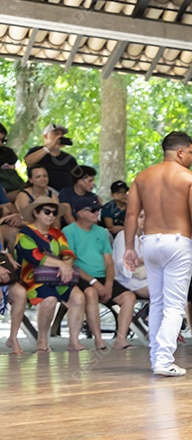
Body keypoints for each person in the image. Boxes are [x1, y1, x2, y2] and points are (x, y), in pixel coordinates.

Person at [124, 131, 192, 376]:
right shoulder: (190, 177)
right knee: (174, 305)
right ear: (180, 152)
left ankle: (156, 358)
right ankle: (163, 360)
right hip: (177, 242)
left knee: (158, 302)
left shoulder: (142, 177)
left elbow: (131, 215)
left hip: (149, 242)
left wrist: (130, 248)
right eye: (191, 152)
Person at [13, 196, 88, 352]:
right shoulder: (25, 233)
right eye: (47, 212)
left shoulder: (57, 233)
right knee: (50, 300)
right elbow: (34, 256)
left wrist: (66, 265)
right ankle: (42, 341)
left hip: (58, 276)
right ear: (36, 213)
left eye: (54, 213)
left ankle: (73, 341)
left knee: (79, 297)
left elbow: (67, 253)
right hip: (32, 279)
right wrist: (61, 264)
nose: (51, 216)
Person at [63, 195, 138, 350]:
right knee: (91, 293)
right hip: (81, 276)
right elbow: (72, 264)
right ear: (80, 213)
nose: (97, 213)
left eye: (98, 210)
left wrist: (109, 283)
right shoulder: (68, 231)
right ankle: (98, 340)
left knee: (129, 297)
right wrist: (94, 282)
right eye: (93, 210)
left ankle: (121, 339)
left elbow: (109, 262)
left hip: (103, 276)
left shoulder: (102, 232)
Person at [25, 123, 80, 191]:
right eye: (56, 134)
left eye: (62, 135)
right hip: (42, 193)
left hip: (65, 195)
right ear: (45, 136)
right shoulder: (36, 151)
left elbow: (78, 178)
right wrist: (50, 147)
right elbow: (29, 162)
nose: (60, 137)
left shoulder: (69, 158)